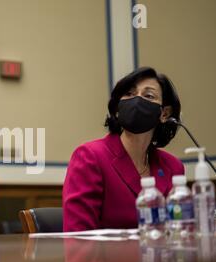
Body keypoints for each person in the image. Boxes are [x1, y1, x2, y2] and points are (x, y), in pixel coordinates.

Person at [63, 67, 184, 232]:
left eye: (148, 96)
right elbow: (78, 238)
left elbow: (180, 231)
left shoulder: (173, 166)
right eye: (129, 94)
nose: (136, 100)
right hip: (108, 258)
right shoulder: (90, 157)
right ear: (118, 108)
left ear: (164, 113)